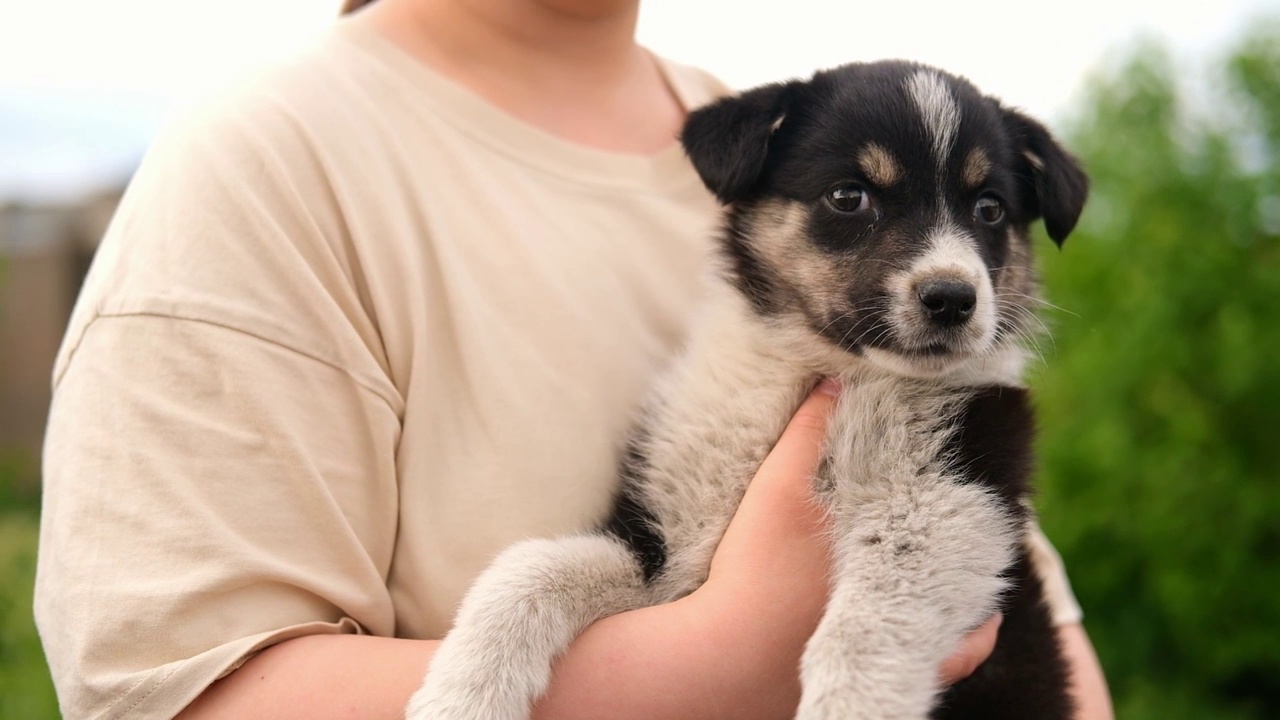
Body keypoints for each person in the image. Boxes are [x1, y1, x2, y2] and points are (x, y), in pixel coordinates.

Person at [33, 0, 1114, 718]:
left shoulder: (768, 126)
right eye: (851, 204)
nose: (938, 260)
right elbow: (169, 694)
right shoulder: (265, 161)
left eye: (978, 213)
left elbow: (1024, 625)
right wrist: (725, 655)